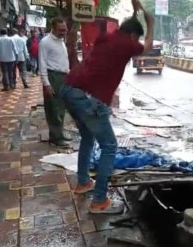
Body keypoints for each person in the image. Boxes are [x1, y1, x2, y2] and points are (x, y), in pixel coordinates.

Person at [60, 0, 154, 214]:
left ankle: (83, 182)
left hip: (69, 89)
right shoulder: (126, 44)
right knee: (109, 146)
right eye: (136, 38)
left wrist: (135, 12)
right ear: (132, 36)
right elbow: (147, 46)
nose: (137, 42)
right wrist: (150, 21)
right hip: (88, 97)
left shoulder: (108, 37)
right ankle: (99, 201)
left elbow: (127, 32)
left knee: (87, 137)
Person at [39, 17, 71, 147]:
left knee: (61, 107)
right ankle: (56, 137)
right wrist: (46, 83)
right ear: (53, 28)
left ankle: (59, 134)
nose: (63, 32)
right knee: (53, 108)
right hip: (53, 77)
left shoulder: (61, 41)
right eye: (61, 30)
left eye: (65, 30)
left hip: (63, 76)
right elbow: (42, 64)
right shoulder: (45, 42)